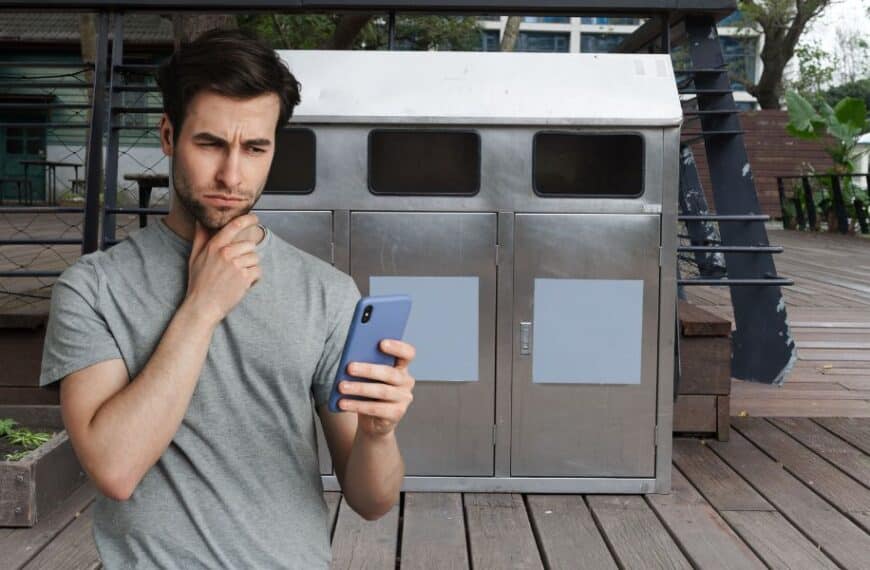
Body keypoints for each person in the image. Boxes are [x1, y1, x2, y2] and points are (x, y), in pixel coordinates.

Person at [39, 29, 416, 569]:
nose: (231, 176)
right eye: (210, 144)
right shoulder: (93, 288)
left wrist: (380, 434)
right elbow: (114, 469)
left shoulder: (327, 292)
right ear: (169, 135)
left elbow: (372, 502)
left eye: (255, 148)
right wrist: (202, 306)